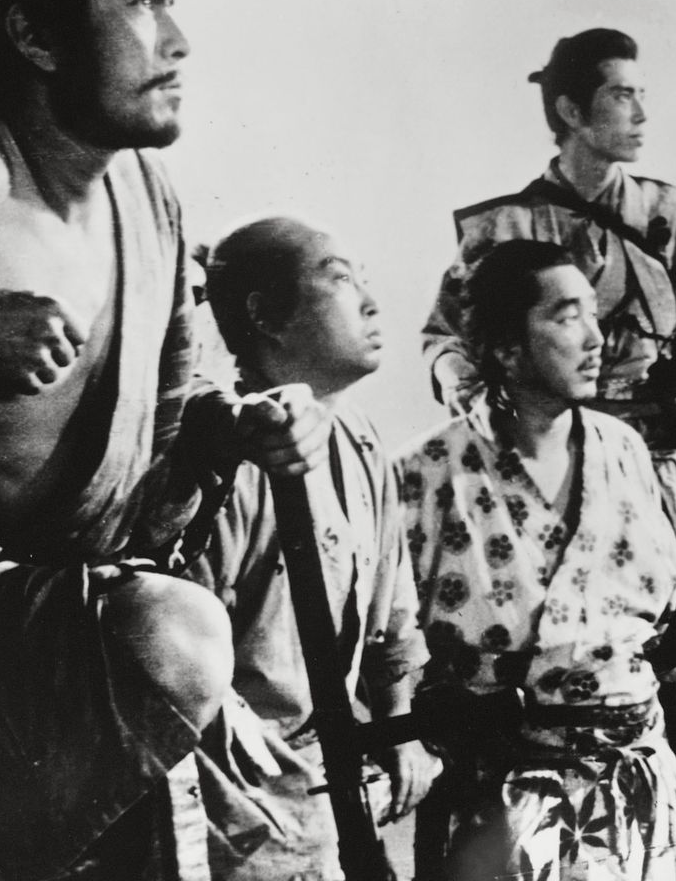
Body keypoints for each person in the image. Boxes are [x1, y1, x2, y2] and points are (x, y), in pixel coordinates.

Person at [0, 0, 322, 879]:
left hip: (70, 649)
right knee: (173, 634)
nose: (178, 42)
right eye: (140, 2)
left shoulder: (149, 204)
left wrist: (234, 433)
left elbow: (163, 462)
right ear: (35, 36)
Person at [398, 240, 676, 881]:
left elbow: (672, 628)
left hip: (640, 792)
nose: (596, 339)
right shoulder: (426, 472)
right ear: (506, 348)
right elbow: (386, 643)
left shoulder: (623, 449)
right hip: (500, 806)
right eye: (567, 316)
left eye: (593, 314)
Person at [421, 27, 676, 569]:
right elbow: (446, 339)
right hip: (545, 461)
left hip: (655, 461)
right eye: (622, 95)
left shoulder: (664, 218)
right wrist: (471, 396)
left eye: (642, 95)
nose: (642, 115)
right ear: (571, 110)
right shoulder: (506, 227)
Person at [189, 216, 441, 880]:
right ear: (265, 316)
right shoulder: (228, 455)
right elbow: (185, 673)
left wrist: (400, 727)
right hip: (238, 801)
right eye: (341, 281)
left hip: (332, 780)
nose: (371, 303)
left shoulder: (360, 440)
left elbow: (393, 620)